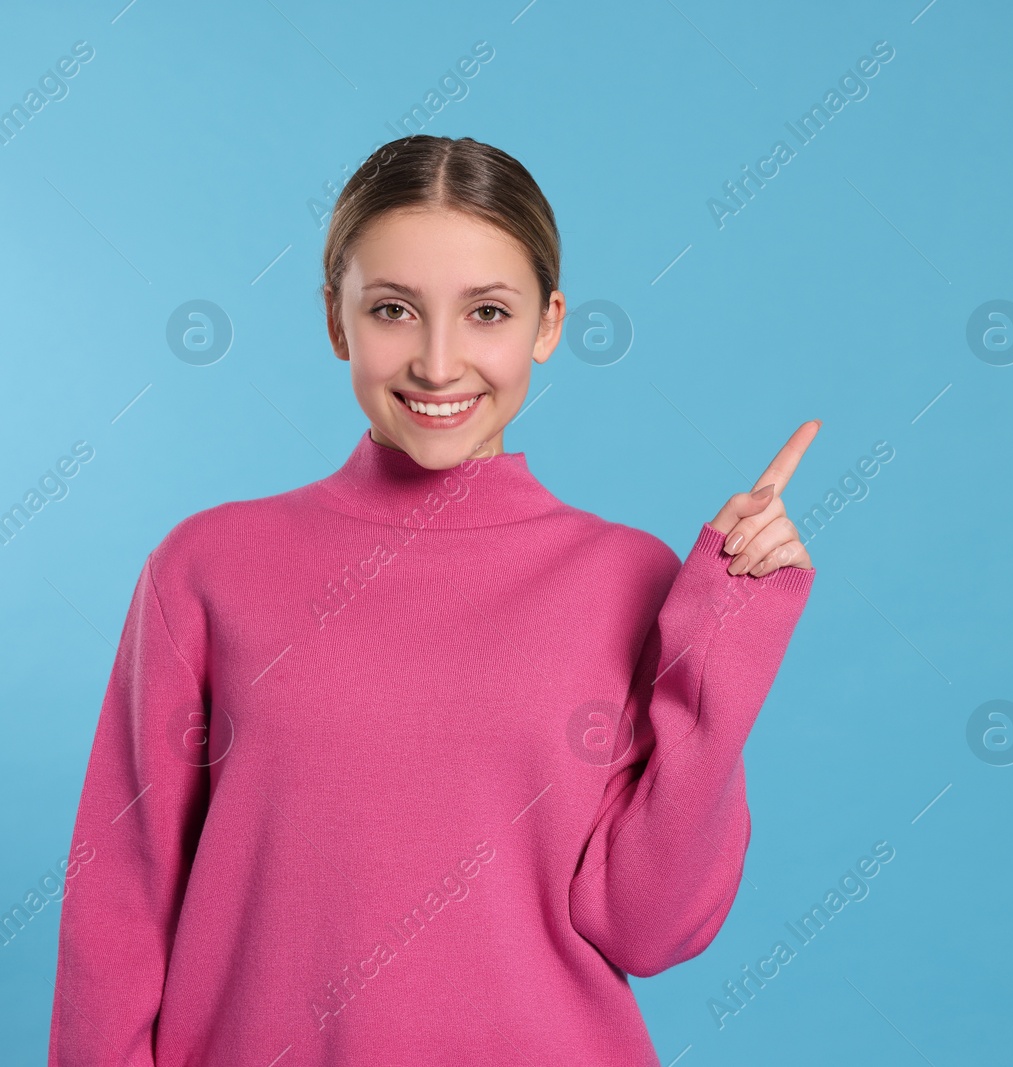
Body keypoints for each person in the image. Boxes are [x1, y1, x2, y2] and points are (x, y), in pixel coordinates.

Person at [48, 134, 820, 1065]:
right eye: (393, 310)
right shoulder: (207, 567)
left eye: (488, 311)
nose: (440, 363)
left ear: (548, 324)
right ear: (336, 320)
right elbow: (117, 908)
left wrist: (724, 639)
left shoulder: (630, 578)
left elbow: (651, 929)